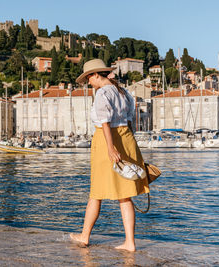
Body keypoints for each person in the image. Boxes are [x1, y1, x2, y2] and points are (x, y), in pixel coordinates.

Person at [70, 59, 150, 252]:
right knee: (124, 195)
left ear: (96, 74)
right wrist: (128, 146)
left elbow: (104, 122)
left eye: (89, 78)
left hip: (107, 140)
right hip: (127, 138)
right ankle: (130, 242)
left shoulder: (102, 93)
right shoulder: (124, 93)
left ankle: (85, 236)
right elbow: (130, 121)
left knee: (96, 192)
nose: (89, 82)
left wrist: (110, 147)